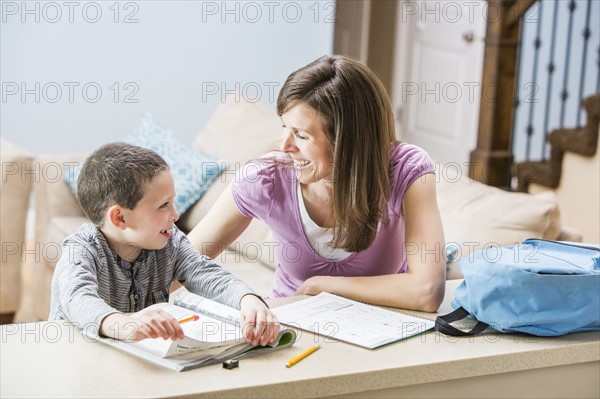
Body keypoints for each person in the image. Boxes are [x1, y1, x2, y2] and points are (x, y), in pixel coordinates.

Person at [188, 55, 446, 312]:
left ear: (348, 142)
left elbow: (428, 292)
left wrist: (326, 287)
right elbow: (181, 265)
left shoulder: (406, 170)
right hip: (290, 330)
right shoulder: (265, 179)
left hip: (381, 332)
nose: (285, 146)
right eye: (284, 128)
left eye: (301, 135)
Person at [49, 142, 279, 345]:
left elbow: (204, 271)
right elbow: (77, 298)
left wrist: (247, 299)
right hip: (76, 359)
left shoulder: (169, 242)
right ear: (120, 218)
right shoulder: (80, 251)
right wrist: (129, 325)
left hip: (136, 358)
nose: (175, 214)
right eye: (163, 205)